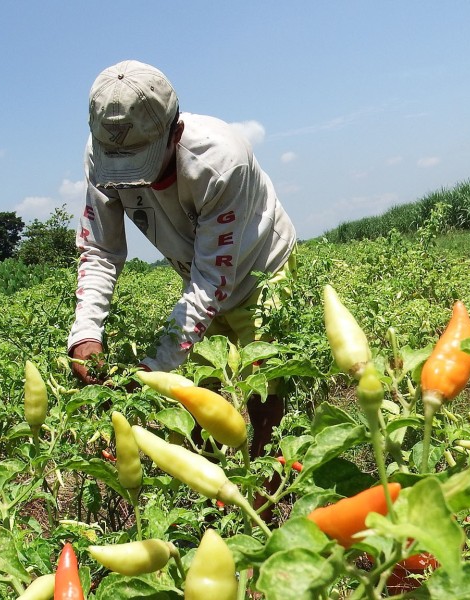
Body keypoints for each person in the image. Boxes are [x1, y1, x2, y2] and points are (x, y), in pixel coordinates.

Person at [67, 59, 298, 461]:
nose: (127, 178)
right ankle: (213, 496)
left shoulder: (221, 161)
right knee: (197, 395)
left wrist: (152, 371)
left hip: (261, 270)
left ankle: (267, 493)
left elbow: (212, 281)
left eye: (139, 159)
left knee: (264, 390)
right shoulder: (100, 155)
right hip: (198, 273)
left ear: (175, 132)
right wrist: (86, 333)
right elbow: (101, 249)